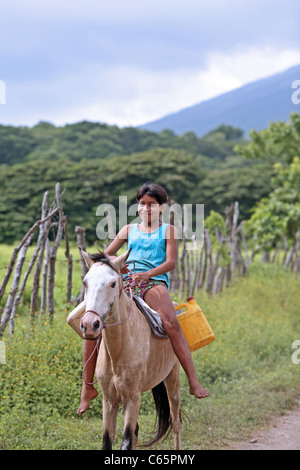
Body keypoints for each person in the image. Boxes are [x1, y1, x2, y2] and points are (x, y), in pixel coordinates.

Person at [77, 182, 209, 415]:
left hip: (153, 283)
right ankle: (88, 387)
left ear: (162, 208)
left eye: (152, 205)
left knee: (171, 323)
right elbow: (107, 255)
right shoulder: (129, 230)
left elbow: (170, 262)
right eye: (142, 204)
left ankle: (193, 379)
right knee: (91, 321)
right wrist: (118, 266)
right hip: (126, 284)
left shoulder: (168, 230)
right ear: (137, 207)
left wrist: (148, 274)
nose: (147, 209)